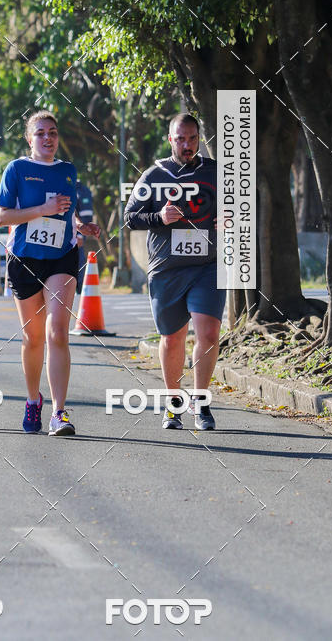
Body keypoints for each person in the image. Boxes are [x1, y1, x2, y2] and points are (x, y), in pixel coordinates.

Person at [0, 111, 100, 436]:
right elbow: (1, 217)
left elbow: (67, 216)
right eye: (40, 133)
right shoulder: (16, 169)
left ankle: (59, 412)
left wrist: (83, 226)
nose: (47, 138)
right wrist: (41, 211)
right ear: (30, 139)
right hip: (25, 259)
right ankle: (32, 399)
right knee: (33, 338)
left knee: (58, 331)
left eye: (52, 132)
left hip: (61, 258)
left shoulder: (68, 170)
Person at [124, 113, 224, 431]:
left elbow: (240, 207)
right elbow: (130, 217)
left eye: (192, 138)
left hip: (206, 266)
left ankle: (202, 402)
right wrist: (159, 217)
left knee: (207, 332)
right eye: (180, 139)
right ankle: (174, 402)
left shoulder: (214, 171)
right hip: (166, 270)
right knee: (173, 336)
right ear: (170, 139)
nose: (187, 145)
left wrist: (231, 219)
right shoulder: (155, 175)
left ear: (199, 138)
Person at [75, 178, 94, 294]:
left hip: (77, 234)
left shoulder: (81, 190)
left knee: (78, 260)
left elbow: (86, 215)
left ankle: (80, 288)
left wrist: (80, 235)